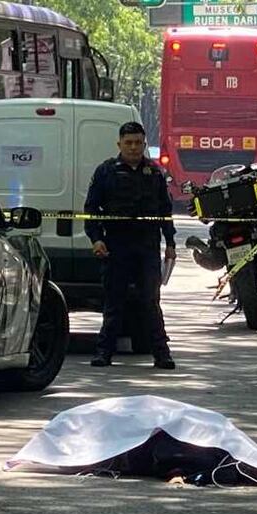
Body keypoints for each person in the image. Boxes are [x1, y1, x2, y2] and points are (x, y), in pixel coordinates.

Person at [84, 122, 176, 370]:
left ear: (145, 144)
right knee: (114, 302)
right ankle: (104, 353)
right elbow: (91, 210)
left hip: (147, 247)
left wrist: (170, 243)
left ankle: (161, 354)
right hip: (116, 246)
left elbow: (165, 212)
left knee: (151, 301)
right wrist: (97, 239)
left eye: (138, 143)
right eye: (129, 143)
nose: (134, 148)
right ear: (119, 144)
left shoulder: (154, 173)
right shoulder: (106, 171)